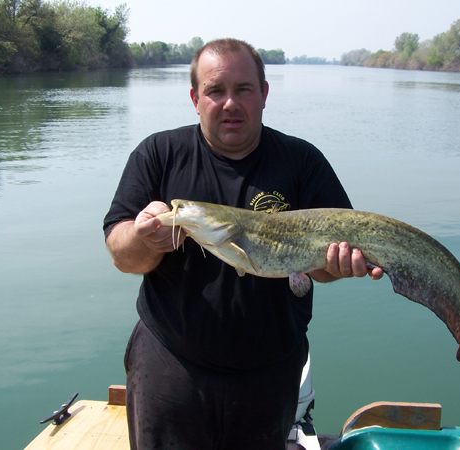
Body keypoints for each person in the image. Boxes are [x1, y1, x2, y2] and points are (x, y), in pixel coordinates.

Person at [103, 38, 383, 450]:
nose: (230, 103)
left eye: (243, 90)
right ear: (196, 98)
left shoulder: (302, 162)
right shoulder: (159, 153)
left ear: (264, 94)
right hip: (171, 362)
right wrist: (146, 238)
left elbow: (322, 268)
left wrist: (337, 266)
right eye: (215, 91)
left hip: (269, 371)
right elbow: (122, 254)